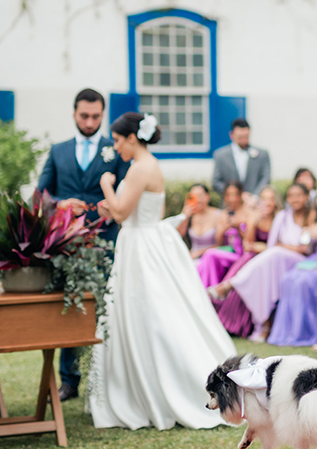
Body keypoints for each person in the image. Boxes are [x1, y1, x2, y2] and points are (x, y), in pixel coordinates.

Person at [87, 111, 235, 430]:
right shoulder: (143, 165)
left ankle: (165, 385)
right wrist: (110, 206)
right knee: (140, 313)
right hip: (142, 241)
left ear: (130, 138)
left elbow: (124, 213)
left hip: (141, 245)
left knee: (151, 314)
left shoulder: (141, 168)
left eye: (116, 141)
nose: (115, 147)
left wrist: (106, 186)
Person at [37, 88, 130, 402]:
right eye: (84, 116)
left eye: (96, 116)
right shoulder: (58, 150)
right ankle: (69, 380)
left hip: (106, 242)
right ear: (74, 113)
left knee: (106, 310)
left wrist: (112, 204)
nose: (90, 122)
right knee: (72, 309)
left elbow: (129, 190)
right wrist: (61, 205)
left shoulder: (115, 149)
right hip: (68, 245)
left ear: (103, 115)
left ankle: (106, 382)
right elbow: (41, 195)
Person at [223, 182, 312, 341]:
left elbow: (305, 249)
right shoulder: (283, 217)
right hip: (278, 260)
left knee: (274, 255)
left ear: (306, 197)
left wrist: (282, 246)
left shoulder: (311, 216)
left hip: (301, 261)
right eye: (291, 196)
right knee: (268, 270)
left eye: (299, 195)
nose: (295, 199)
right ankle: (263, 325)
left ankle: (230, 284)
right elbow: (270, 245)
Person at [267, 184, 317, 348]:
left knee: (304, 282)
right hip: (312, 258)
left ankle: (314, 332)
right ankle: (291, 333)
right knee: (288, 279)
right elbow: (308, 246)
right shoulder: (314, 218)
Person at [211, 186, 283, 335]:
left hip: (270, 262)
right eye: (263, 199)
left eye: (270, 199)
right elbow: (248, 244)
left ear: (275, 202)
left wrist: (261, 247)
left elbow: (278, 247)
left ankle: (225, 288)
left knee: (249, 262)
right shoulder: (254, 217)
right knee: (248, 258)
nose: (266, 202)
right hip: (252, 258)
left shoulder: (279, 219)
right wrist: (254, 220)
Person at [195, 181, 251, 289]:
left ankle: (205, 290)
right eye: (228, 195)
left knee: (210, 254)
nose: (232, 198)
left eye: (235, 194)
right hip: (228, 252)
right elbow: (219, 243)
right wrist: (223, 229)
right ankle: (207, 289)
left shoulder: (248, 214)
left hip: (242, 256)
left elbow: (249, 241)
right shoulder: (223, 215)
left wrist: (239, 228)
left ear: (240, 195)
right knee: (211, 256)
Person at [212, 117, 270, 200]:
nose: (243, 139)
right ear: (231, 135)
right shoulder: (220, 155)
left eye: (246, 136)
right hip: (230, 204)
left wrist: (254, 197)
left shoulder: (262, 154)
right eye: (240, 137)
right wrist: (236, 195)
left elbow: (265, 179)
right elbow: (216, 183)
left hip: (254, 203)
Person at [176, 184, 221, 258]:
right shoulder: (190, 216)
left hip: (211, 258)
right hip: (193, 258)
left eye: (200, 196)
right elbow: (178, 235)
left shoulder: (218, 215)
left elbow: (220, 244)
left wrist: (200, 252)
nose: (197, 200)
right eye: (193, 197)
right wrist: (184, 216)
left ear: (207, 197)